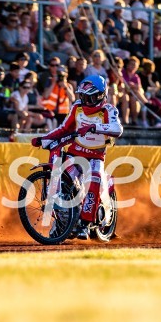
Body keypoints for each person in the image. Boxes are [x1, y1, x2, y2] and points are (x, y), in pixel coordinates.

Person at [31, 75, 123, 239]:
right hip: (75, 153)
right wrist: (44, 139)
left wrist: (95, 127)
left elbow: (117, 129)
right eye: (83, 96)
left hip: (96, 157)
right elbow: (63, 128)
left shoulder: (108, 110)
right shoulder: (77, 107)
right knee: (63, 182)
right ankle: (62, 222)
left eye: (91, 97)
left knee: (94, 180)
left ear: (101, 95)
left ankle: (86, 224)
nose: (86, 100)